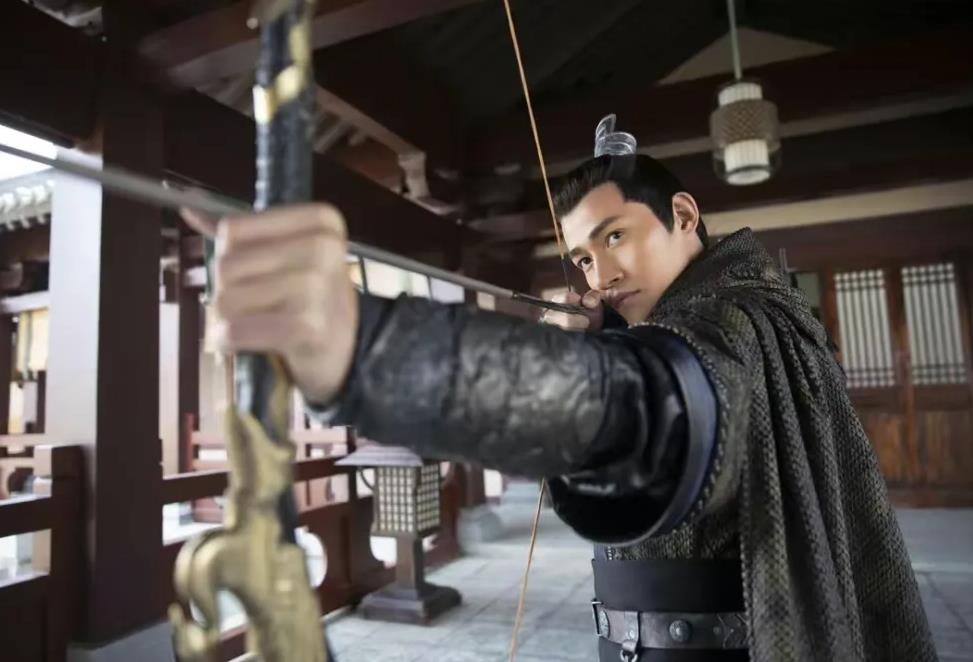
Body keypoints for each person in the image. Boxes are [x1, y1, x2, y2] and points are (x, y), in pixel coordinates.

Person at [184, 118, 936, 662]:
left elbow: (657, 413)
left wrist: (371, 350)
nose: (599, 273)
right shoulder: (725, 317)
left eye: (615, 236)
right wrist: (600, 345)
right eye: (580, 257)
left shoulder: (735, 320)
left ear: (682, 215)